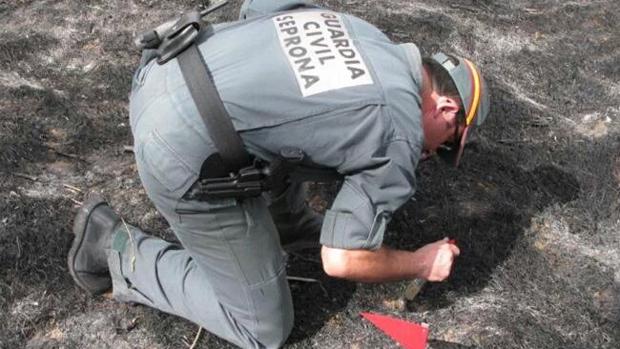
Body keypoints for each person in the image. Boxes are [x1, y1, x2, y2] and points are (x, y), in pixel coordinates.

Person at [67, 0, 490, 347]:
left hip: (163, 64)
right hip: (175, 145)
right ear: (445, 108)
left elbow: (258, 9)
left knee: (304, 124)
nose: (432, 152)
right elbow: (341, 260)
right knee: (263, 329)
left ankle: (286, 223)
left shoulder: (362, 31)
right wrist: (419, 263)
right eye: (447, 142)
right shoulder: (398, 129)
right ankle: (112, 249)